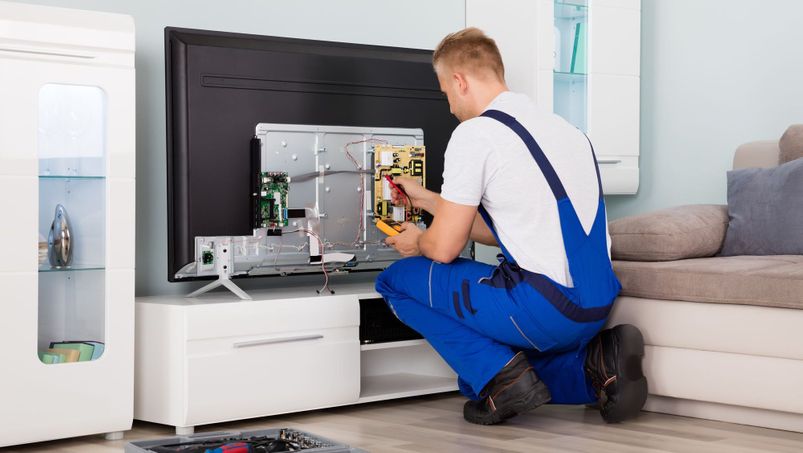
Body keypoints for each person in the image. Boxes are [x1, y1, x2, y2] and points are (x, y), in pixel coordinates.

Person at [375, 27, 647, 425]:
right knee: (475, 382)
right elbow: (518, 224)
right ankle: (595, 366)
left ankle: (504, 380)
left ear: (459, 81)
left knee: (396, 282)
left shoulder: (475, 134)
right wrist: (433, 201)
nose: (449, 106)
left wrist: (419, 241)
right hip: (594, 305)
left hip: (545, 308)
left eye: (445, 92)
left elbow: (445, 248)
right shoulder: (569, 133)